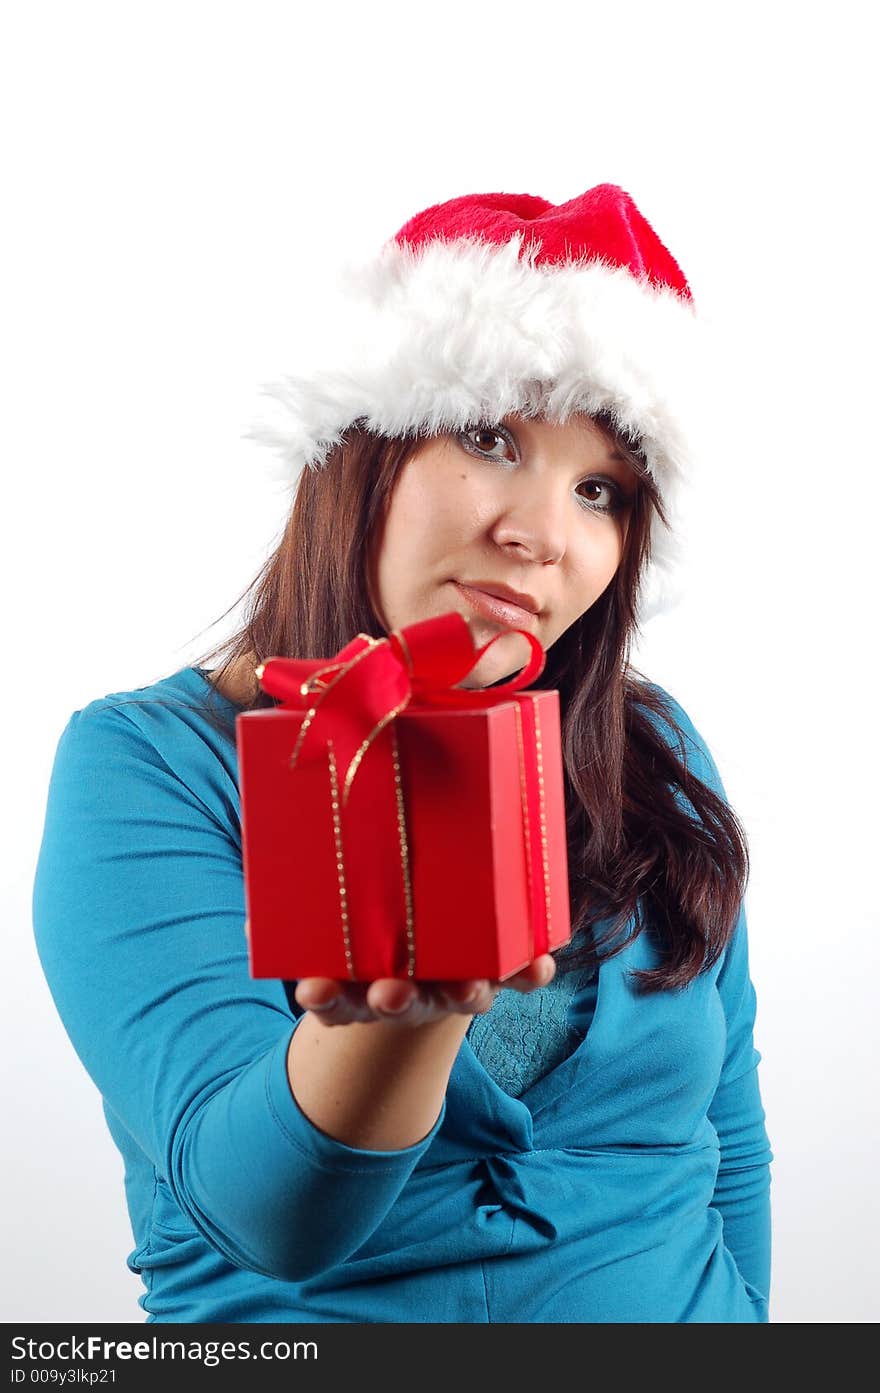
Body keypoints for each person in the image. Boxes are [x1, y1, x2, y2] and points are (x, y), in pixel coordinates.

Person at [32, 184, 773, 1323]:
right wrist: (409, 1014)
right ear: (358, 450)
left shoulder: (651, 746)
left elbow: (726, 1142)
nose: (543, 534)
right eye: (488, 437)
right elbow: (268, 1214)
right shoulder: (145, 766)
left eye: (600, 490)